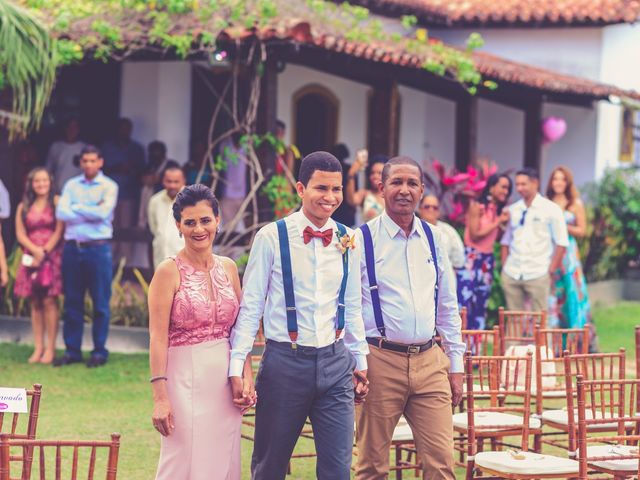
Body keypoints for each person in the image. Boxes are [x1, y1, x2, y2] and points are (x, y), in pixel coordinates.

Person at [229, 151, 369, 480]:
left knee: (337, 469)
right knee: (269, 466)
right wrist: (238, 365)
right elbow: (251, 307)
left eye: (336, 189)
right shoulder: (271, 237)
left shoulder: (349, 239)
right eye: (321, 188)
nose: (331, 197)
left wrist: (360, 361)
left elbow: (352, 305)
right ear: (300, 189)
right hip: (284, 364)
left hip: (336, 364)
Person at [354, 156, 465, 479]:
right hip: (379, 361)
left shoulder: (435, 238)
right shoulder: (361, 240)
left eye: (412, 183)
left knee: (442, 463)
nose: (404, 190)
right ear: (381, 188)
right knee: (372, 465)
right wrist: (356, 360)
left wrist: (455, 366)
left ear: (421, 190)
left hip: (430, 360)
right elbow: (347, 308)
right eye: (396, 182)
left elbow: (447, 306)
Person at [149, 184, 254, 480]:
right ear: (178, 225)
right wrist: (160, 397)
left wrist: (245, 376)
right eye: (190, 222)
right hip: (182, 380)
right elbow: (157, 338)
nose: (199, 229)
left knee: (223, 461)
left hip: (225, 383)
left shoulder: (229, 268)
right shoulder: (167, 271)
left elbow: (240, 330)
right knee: (182, 460)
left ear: (218, 220)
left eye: (205, 220)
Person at [54, 145, 118, 367]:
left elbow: (103, 213)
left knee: (100, 303)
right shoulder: (71, 185)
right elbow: (61, 212)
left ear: (100, 162)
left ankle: (99, 351)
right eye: (85, 161)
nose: (89, 164)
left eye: (93, 160)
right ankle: (72, 351)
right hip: (73, 248)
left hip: (98, 249)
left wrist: (77, 207)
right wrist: (90, 208)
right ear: (80, 163)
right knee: (72, 302)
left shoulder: (110, 186)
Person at [500, 168, 569, 312]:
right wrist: (505, 267)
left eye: (523, 184)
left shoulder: (551, 209)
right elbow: (505, 241)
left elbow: (562, 242)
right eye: (517, 184)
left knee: (541, 322)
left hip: (538, 272)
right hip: (512, 272)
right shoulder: (513, 209)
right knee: (514, 322)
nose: (519, 188)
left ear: (535, 183)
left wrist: (550, 270)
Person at [14, 168, 64, 364]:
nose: (41, 184)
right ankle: (38, 347)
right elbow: (20, 233)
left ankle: (50, 348)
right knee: (35, 302)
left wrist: (43, 252)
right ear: (31, 184)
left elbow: (60, 230)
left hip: (51, 256)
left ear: (50, 182)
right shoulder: (23, 206)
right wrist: (34, 251)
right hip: (30, 256)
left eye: (44, 180)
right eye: (37, 181)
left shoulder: (56, 202)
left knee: (50, 301)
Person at [546, 166, 598, 348]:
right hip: (550, 251)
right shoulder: (547, 202)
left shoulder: (575, 203)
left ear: (567, 182)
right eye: (555, 179)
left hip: (568, 254)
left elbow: (583, 230)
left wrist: (562, 226)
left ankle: (577, 343)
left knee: (572, 293)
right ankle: (555, 344)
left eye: (562, 179)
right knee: (553, 295)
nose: (558, 182)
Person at [457, 173, 512, 330]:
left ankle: (476, 349)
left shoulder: (497, 210)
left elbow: (496, 237)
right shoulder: (477, 205)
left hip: (487, 260)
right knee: (466, 303)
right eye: (503, 187)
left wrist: (502, 224)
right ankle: (460, 348)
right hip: (472, 258)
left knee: (481, 304)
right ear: (492, 186)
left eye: (508, 188)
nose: (506, 191)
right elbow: (475, 235)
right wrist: (498, 222)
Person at [102, 118, 145, 264]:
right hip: (108, 197)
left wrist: (131, 169)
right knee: (110, 230)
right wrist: (116, 168)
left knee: (126, 230)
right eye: (122, 128)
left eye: (127, 128)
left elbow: (142, 171)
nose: (124, 131)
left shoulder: (136, 149)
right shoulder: (107, 148)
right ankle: (110, 263)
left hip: (129, 195)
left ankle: (126, 266)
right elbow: (100, 169)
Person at [148, 164, 186, 269]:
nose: (172, 185)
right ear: (163, 181)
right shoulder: (155, 200)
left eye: (176, 182)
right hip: (161, 256)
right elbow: (154, 228)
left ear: (183, 181)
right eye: (169, 181)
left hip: (185, 258)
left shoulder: (192, 201)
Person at [418, 194, 465, 270]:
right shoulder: (411, 229)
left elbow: (459, 258)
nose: (431, 210)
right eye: (427, 207)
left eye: (435, 208)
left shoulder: (448, 231)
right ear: (420, 209)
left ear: (439, 212)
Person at [45, 118, 86, 194]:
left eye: (75, 127)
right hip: (57, 192)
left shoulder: (84, 148)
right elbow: (48, 170)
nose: (72, 130)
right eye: (69, 127)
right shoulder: (56, 146)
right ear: (65, 128)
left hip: (78, 192)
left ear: (78, 129)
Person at [218, 132, 248, 233]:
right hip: (227, 194)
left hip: (242, 194)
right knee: (227, 226)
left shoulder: (246, 147)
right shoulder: (225, 147)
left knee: (240, 226)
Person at [346, 150, 387, 222]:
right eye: (372, 173)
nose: (375, 176)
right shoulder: (365, 194)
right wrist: (351, 175)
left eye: (379, 173)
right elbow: (351, 200)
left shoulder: (391, 196)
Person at [139, 141, 170, 228]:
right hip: (149, 199)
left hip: (165, 200)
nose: (155, 156)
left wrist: (158, 179)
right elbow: (142, 179)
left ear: (163, 153)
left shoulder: (171, 165)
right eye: (153, 154)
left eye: (158, 153)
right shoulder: (149, 166)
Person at [331, 143, 356, 227]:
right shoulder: (350, 169)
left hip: (335, 204)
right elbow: (355, 188)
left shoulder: (332, 169)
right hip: (346, 207)